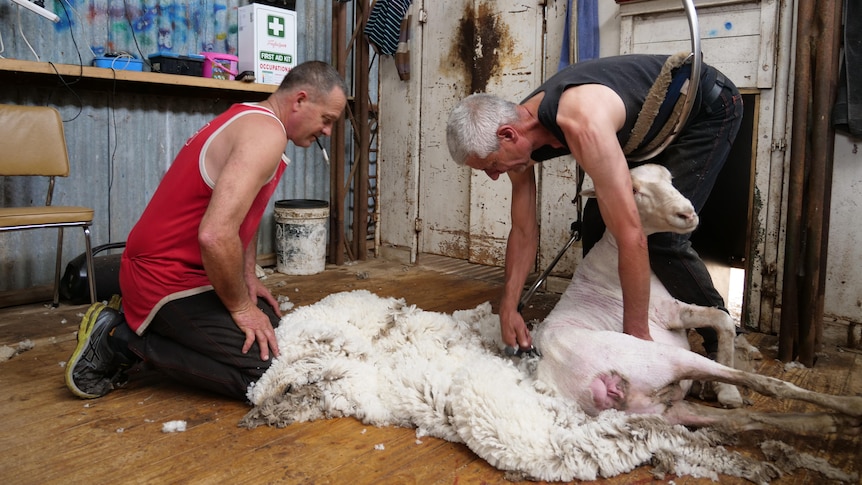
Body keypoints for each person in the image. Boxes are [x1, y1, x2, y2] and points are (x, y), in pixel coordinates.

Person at [65, 60, 348, 401]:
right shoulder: (265, 134)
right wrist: (241, 308)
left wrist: (247, 280)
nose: (328, 132)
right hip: (163, 279)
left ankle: (149, 328)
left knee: (274, 329)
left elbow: (245, 216)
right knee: (273, 374)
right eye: (327, 120)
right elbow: (215, 235)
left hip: (191, 273)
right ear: (300, 100)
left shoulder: (251, 118)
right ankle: (121, 339)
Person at [446, 54, 743, 356]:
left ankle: (725, 341)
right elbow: (523, 230)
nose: (494, 176)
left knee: (663, 236)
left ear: (508, 135)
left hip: (703, 109)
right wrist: (509, 308)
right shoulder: (516, 131)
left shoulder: (581, 121)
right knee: (596, 219)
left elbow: (631, 234)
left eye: (491, 166)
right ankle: (607, 316)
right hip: (647, 132)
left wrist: (637, 344)